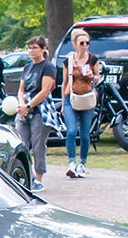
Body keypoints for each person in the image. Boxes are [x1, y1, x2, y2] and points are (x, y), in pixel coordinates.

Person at [14, 35, 56, 191]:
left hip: (40, 110)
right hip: (24, 108)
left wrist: (29, 106)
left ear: (43, 49)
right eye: (29, 48)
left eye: (35, 48)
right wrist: (21, 104)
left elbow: (45, 91)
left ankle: (39, 178)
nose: (31, 51)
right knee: (21, 143)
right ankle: (26, 175)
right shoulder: (27, 67)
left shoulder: (48, 67)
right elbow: (21, 89)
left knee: (38, 145)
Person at [60, 29, 101, 179]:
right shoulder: (68, 61)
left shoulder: (93, 59)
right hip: (71, 98)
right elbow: (64, 83)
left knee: (85, 134)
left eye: (87, 43)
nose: (85, 45)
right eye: (82, 43)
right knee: (71, 131)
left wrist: (93, 76)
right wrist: (63, 104)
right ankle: (71, 162)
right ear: (75, 44)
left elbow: (98, 78)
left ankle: (82, 163)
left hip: (87, 98)